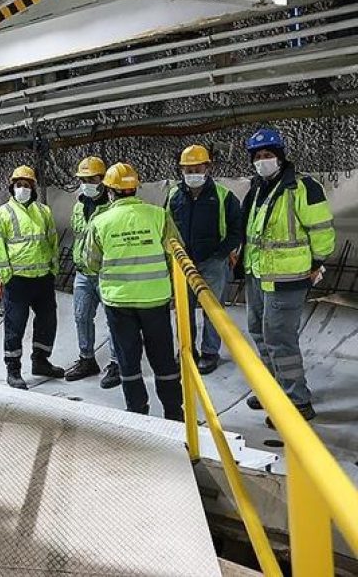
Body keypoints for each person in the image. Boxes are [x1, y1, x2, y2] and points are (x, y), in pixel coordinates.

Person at [240, 128, 334, 423]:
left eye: (267, 155)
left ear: (280, 156)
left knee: (281, 339)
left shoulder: (304, 187)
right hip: (257, 275)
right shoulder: (257, 188)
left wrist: (318, 263)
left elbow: (322, 231)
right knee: (259, 331)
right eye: (257, 156)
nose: (262, 160)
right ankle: (273, 389)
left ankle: (297, 401)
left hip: (288, 279)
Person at [84, 163, 182, 420]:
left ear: (110, 191)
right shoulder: (158, 215)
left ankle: (137, 411)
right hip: (155, 299)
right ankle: (174, 411)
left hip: (119, 302)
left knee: (128, 359)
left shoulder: (100, 222)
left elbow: (90, 263)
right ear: (135, 188)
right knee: (163, 359)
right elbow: (177, 253)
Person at [166, 144, 243, 375]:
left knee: (213, 309)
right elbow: (167, 228)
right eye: (187, 170)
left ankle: (210, 352)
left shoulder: (223, 196)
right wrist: (173, 256)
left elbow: (236, 230)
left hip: (213, 262)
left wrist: (221, 255)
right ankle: (187, 350)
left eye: (196, 168)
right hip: (183, 263)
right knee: (183, 309)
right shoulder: (173, 196)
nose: (192, 174)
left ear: (207, 167)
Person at [0, 166, 65, 389]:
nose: (23, 188)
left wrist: (53, 269)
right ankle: (13, 370)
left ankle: (40, 362)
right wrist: (5, 276)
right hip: (17, 281)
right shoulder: (1, 213)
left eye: (27, 184)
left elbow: (52, 241)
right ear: (12, 187)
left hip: (43, 279)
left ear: (33, 187)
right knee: (15, 326)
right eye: (19, 184)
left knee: (48, 322)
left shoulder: (44, 211)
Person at [64, 156, 122, 388]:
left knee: (113, 321)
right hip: (83, 273)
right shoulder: (78, 206)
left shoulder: (112, 206)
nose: (86, 183)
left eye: (92, 179)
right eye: (83, 179)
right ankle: (87, 359)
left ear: (103, 180)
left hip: (107, 274)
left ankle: (117, 363)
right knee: (81, 316)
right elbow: (80, 237)